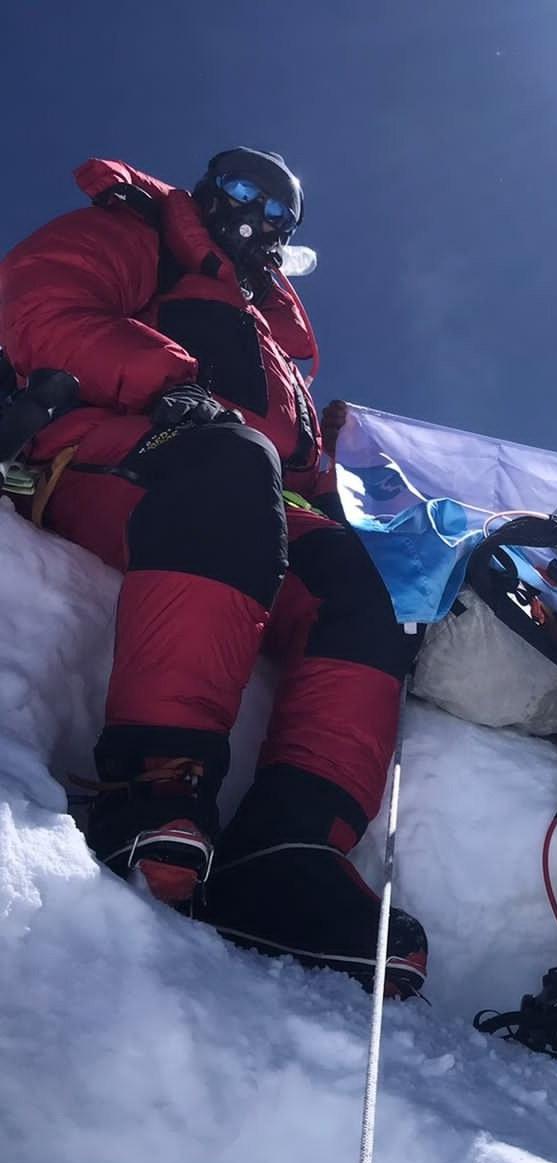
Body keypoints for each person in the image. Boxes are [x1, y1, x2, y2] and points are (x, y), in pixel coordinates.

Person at [0, 150, 427, 997]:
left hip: (231, 483)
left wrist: (341, 460)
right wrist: (170, 381)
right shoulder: (137, 234)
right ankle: (152, 785)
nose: (256, 212)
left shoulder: (270, 337)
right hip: (98, 448)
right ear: (205, 189)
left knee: (357, 589)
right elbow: (39, 304)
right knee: (230, 462)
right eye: (240, 189)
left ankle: (286, 847)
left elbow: (291, 471)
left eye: (278, 209)